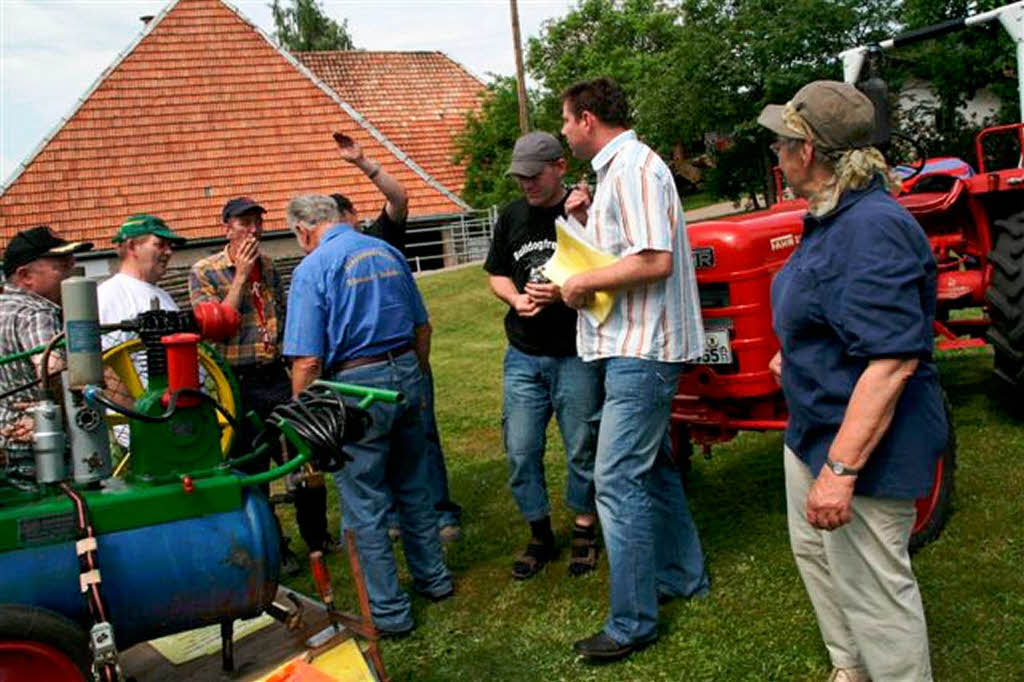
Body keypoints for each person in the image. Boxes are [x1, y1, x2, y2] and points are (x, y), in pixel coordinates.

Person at [761, 80, 942, 682]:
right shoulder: (832, 214)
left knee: (874, 590)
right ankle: (852, 668)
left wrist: (840, 472)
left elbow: (892, 361)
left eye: (781, 142)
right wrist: (799, 356)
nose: (775, 154)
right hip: (812, 424)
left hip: (859, 443)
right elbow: (835, 313)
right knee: (819, 559)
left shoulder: (872, 226)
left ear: (806, 150)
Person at [557, 77, 709, 660]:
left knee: (617, 481)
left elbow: (654, 260)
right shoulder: (615, 173)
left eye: (567, 120)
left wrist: (581, 282)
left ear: (589, 118)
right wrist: (588, 222)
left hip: (645, 351)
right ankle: (683, 576)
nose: (565, 130)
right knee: (654, 471)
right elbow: (629, 247)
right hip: (634, 345)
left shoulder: (636, 168)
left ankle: (632, 623)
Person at [282, 193, 452, 637]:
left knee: (365, 504)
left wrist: (303, 421)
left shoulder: (312, 269)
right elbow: (423, 327)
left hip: (356, 387)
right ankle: (435, 580)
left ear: (303, 230)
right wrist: (415, 377)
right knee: (414, 485)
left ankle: (390, 613)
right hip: (406, 373)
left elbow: (307, 362)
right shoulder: (387, 252)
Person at [330, 131, 463, 543]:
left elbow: (400, 198)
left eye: (339, 217)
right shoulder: (324, 259)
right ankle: (390, 517)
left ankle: (440, 513)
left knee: (422, 434)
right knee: (375, 441)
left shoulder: (380, 238)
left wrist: (363, 162)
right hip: (359, 366)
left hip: (406, 355)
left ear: (353, 215)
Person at [483, 131, 602, 579]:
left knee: (582, 446)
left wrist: (565, 291)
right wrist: (515, 299)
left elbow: (609, 266)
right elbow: (496, 273)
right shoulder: (512, 215)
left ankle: (585, 527)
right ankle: (540, 533)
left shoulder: (581, 209)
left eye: (534, 176)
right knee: (520, 448)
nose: (527, 185)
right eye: (520, 178)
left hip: (575, 352)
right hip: (523, 354)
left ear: (559, 167)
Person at [188, 197, 308, 574]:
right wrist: (239, 276)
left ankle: (317, 537)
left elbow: (283, 315)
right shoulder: (205, 271)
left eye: (257, 222)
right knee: (252, 467)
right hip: (236, 381)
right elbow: (215, 328)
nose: (253, 230)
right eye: (244, 223)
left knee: (297, 454)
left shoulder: (270, 268)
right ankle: (275, 545)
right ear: (227, 227)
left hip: (274, 373)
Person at [0, 227, 93, 487]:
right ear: (25, 276)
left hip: (8, 440)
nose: (71, 268)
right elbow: (53, 371)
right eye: (61, 265)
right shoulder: (36, 313)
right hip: (42, 446)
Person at [98, 214, 186, 348]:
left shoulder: (164, 296)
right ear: (132, 246)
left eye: (170, 246)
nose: (169, 252)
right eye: (160, 245)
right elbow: (107, 360)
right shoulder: (109, 296)